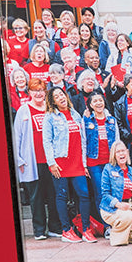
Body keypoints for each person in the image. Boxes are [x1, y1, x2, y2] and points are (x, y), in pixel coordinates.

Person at [42, 85, 95, 243]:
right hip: (60, 162)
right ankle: (66, 230)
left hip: (77, 162)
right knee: (62, 196)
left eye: (62, 94)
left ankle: (86, 229)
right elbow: (47, 141)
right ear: (52, 101)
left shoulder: (75, 114)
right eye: (57, 97)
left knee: (84, 194)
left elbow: (83, 140)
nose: (61, 98)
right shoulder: (50, 117)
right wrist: (51, 163)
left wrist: (84, 163)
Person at [12, 78, 61, 240]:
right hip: (32, 161)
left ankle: (54, 227)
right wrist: (19, 160)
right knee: (36, 196)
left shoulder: (50, 109)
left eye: (41, 90)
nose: (39, 93)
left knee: (53, 194)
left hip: (51, 161)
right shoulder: (23, 110)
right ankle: (39, 230)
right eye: (35, 90)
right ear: (29, 93)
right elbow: (17, 136)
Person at [99, 141, 132, 246]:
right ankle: (115, 238)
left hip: (128, 208)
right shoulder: (108, 169)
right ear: (114, 155)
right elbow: (105, 194)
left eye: (123, 151)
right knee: (128, 216)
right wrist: (119, 204)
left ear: (127, 152)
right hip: (111, 209)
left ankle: (123, 234)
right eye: (117, 152)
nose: (121, 154)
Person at [83, 90, 119, 226]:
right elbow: (83, 141)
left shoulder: (111, 120)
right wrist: (84, 164)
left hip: (109, 162)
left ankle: (116, 220)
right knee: (100, 192)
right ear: (90, 105)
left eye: (100, 100)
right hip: (94, 163)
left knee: (114, 191)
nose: (99, 103)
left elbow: (117, 141)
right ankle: (106, 225)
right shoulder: (86, 120)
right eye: (95, 101)